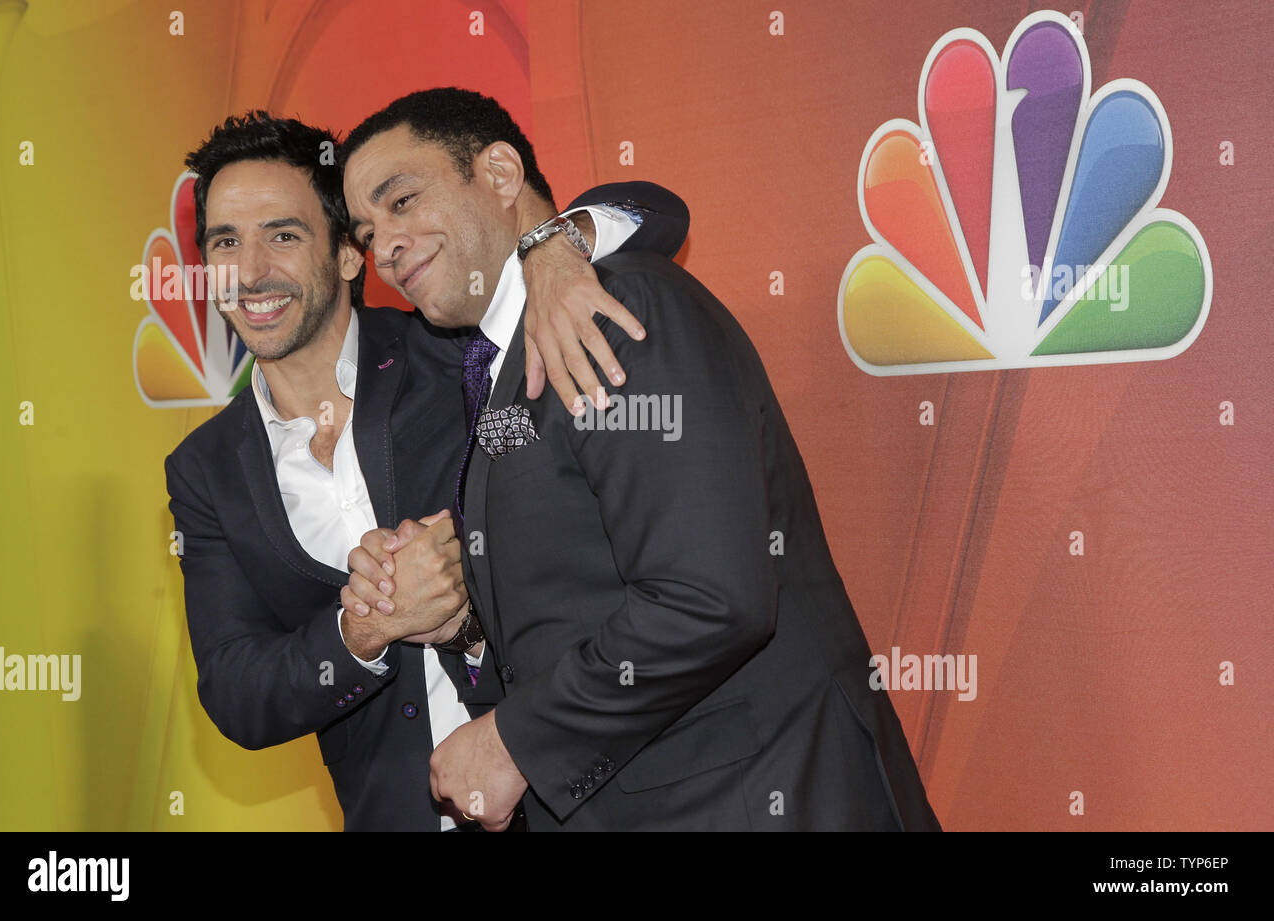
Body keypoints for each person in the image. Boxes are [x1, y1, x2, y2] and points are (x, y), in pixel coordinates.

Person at [341, 87, 942, 831]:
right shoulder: (505, 362)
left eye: (402, 200)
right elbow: (581, 608)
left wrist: (514, 742)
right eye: (368, 231)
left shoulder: (610, 309)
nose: (386, 246)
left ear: (499, 173)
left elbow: (709, 597)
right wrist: (461, 627)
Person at [165, 110, 690, 831]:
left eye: (282, 235)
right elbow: (237, 691)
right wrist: (364, 629)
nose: (250, 271)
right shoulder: (204, 468)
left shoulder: (456, 346)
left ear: (351, 255)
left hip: (573, 799)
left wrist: (556, 246)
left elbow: (656, 210)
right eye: (226, 242)